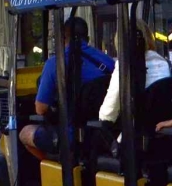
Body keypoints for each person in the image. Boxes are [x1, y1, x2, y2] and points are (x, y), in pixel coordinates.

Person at [18, 16, 114, 161]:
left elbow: (40, 109)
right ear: (87, 38)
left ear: (63, 38)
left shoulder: (55, 64)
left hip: (71, 135)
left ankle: (55, 165)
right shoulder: (107, 61)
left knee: (24, 132)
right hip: (103, 134)